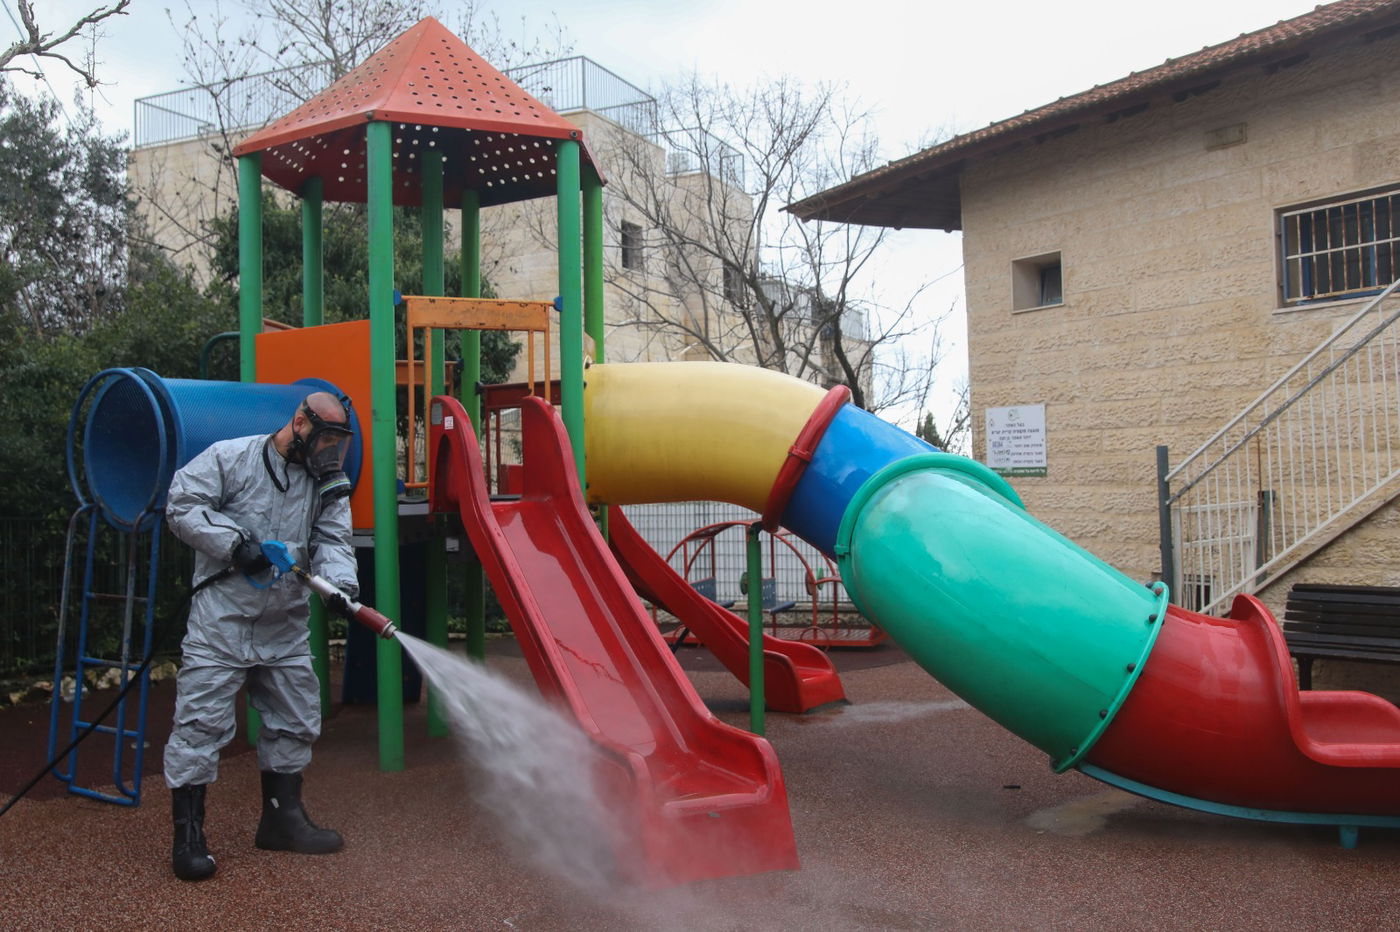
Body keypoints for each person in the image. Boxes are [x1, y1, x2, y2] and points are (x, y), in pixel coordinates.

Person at [162, 391, 360, 882]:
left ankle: (282, 822)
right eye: (325, 438)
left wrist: (340, 587)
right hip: (220, 626)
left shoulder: (325, 483)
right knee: (199, 727)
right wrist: (234, 545)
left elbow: (333, 540)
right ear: (299, 422)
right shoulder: (230, 458)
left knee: (295, 720)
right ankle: (188, 839)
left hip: (285, 627)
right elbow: (182, 503)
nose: (329, 451)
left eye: (339, 441)